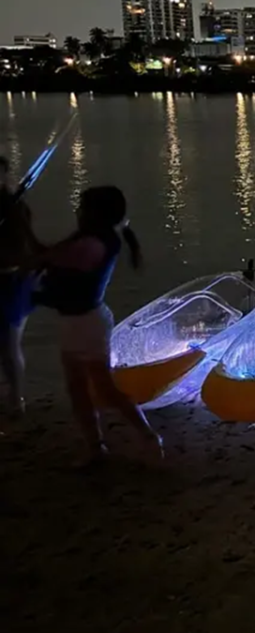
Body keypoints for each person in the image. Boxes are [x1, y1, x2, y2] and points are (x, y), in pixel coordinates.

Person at [34, 186, 162, 464]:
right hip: (73, 322)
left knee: (105, 389)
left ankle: (150, 437)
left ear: (96, 213)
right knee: (76, 387)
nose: (78, 212)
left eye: (83, 207)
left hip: (88, 325)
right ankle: (96, 448)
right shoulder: (89, 238)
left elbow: (48, 258)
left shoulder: (94, 245)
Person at [1, 157, 39, 416]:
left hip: (11, 281)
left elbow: (25, 248)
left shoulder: (15, 208)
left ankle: (17, 400)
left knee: (9, 342)